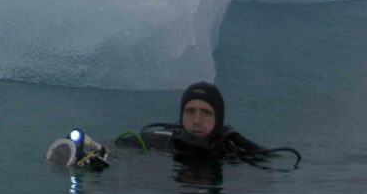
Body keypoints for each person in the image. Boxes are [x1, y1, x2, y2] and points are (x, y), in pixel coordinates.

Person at [115, 82, 296, 165]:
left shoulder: (230, 152)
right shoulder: (162, 142)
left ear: (219, 119)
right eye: (190, 111)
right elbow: (120, 148)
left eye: (206, 113)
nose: (197, 121)